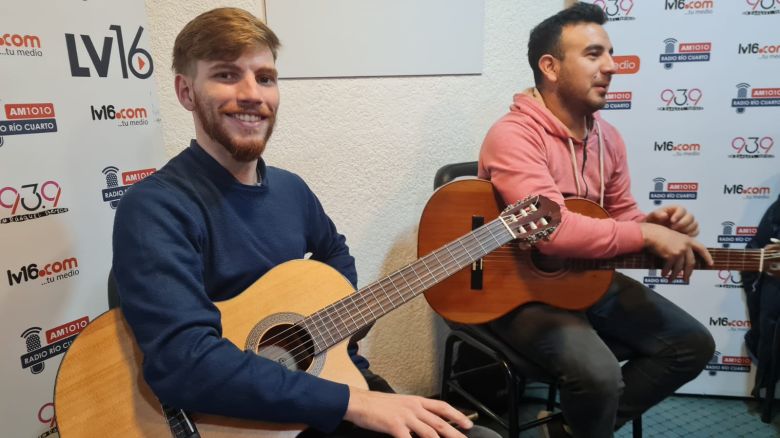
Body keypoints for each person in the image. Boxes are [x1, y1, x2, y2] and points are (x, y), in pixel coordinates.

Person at [113, 8, 479, 438]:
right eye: (227, 75)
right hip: (235, 420)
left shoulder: (291, 189)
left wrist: (325, 326)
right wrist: (354, 403)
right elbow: (186, 362)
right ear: (186, 91)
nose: (253, 94)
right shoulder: (155, 207)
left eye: (265, 78)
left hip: (327, 387)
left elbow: (335, 252)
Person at [477, 3, 716, 437]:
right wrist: (642, 232)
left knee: (692, 345)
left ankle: (571, 430)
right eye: (593, 54)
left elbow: (618, 216)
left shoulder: (609, 138)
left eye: (609, 53)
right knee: (600, 374)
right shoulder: (513, 136)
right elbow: (551, 231)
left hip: (584, 279)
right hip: (518, 291)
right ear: (550, 66)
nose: (610, 66)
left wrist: (653, 223)